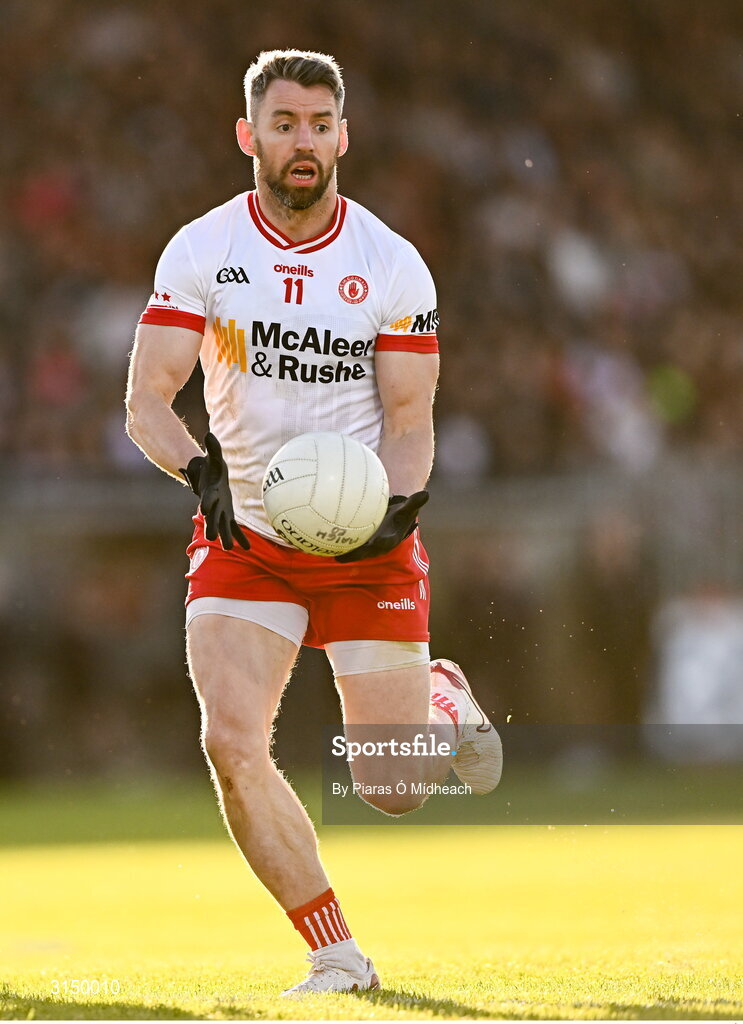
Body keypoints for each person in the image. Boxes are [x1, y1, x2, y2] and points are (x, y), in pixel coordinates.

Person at [126, 49, 502, 997]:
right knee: (229, 739)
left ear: (344, 136)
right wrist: (197, 469)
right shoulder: (202, 250)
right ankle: (337, 955)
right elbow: (148, 401)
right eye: (285, 123)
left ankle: (440, 696)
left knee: (394, 789)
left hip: (361, 542)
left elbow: (411, 420)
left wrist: (400, 509)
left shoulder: (389, 262)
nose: (305, 141)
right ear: (249, 136)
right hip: (246, 538)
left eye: (321, 124)